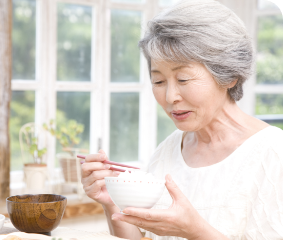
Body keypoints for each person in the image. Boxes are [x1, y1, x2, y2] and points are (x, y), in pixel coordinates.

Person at [81, 0, 283, 239]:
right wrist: (112, 201)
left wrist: (194, 231)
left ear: (230, 76)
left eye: (184, 79)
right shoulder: (167, 151)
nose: (169, 97)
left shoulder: (273, 153)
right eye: (158, 81)